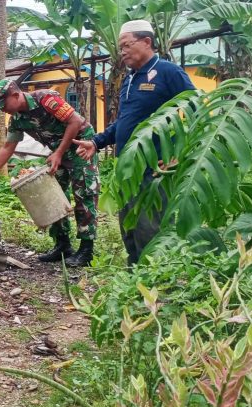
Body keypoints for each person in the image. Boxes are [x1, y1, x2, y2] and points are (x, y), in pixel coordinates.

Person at [74, 20, 195, 265]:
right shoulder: (130, 80)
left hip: (155, 164)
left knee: (150, 224)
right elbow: (125, 121)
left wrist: (180, 152)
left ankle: (158, 278)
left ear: (146, 42)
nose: (123, 52)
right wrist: (96, 142)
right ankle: (136, 275)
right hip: (128, 166)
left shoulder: (168, 72)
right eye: (121, 48)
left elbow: (196, 108)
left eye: (127, 45)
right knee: (129, 223)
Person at [0, 79, 100, 267]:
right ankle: (63, 245)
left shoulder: (46, 99)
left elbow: (75, 122)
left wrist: (58, 153)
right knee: (51, 195)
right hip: (58, 150)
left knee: (84, 194)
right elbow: (8, 147)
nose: (2, 109)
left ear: (16, 95)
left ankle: (86, 250)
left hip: (80, 146)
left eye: (3, 104)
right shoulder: (17, 118)